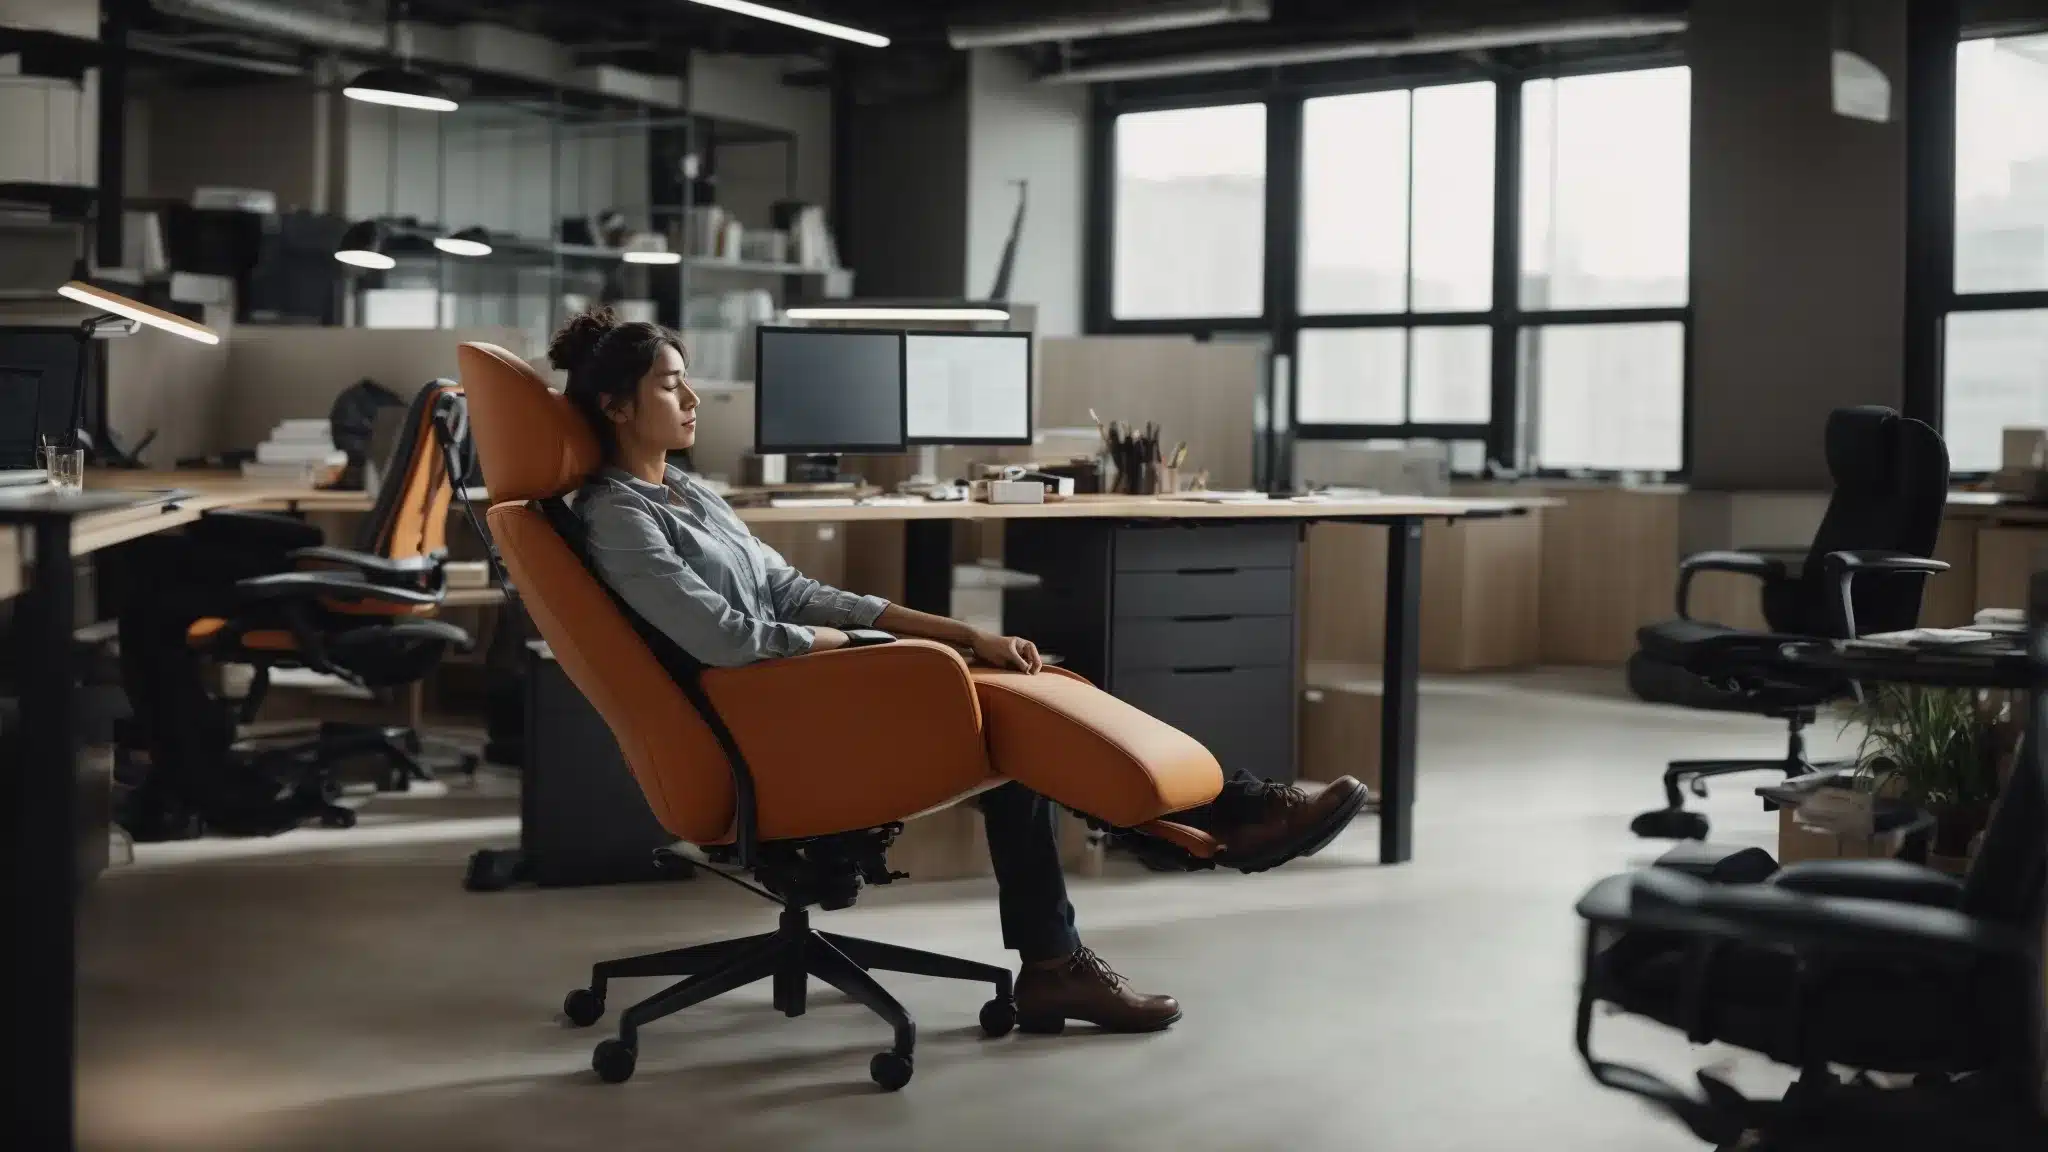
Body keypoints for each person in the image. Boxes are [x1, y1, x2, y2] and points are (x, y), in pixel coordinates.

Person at [552, 308, 1368, 1034]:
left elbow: (792, 589)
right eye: (670, 386)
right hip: (768, 731)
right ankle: (1209, 836)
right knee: (1012, 726)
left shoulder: (688, 493)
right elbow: (727, 638)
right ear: (618, 406)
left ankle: (1194, 839)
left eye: (688, 383)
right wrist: (886, 654)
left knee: (1030, 701)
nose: (692, 400)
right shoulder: (618, 515)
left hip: (796, 699)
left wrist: (958, 635)